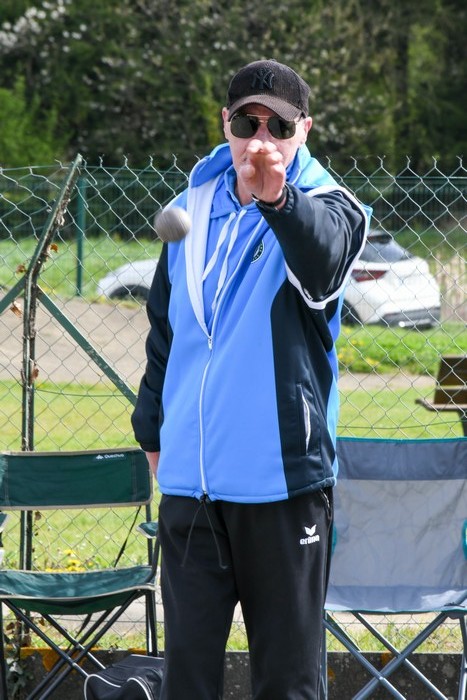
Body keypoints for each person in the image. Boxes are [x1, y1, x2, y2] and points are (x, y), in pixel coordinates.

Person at [132, 58, 371, 700]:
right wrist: (152, 429)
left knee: (287, 683)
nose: (261, 140)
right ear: (225, 124)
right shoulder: (191, 207)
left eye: (279, 126)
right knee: (187, 682)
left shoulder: (334, 208)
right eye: (247, 123)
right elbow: (166, 330)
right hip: (191, 488)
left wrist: (278, 200)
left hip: (282, 486)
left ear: (304, 130)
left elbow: (321, 262)